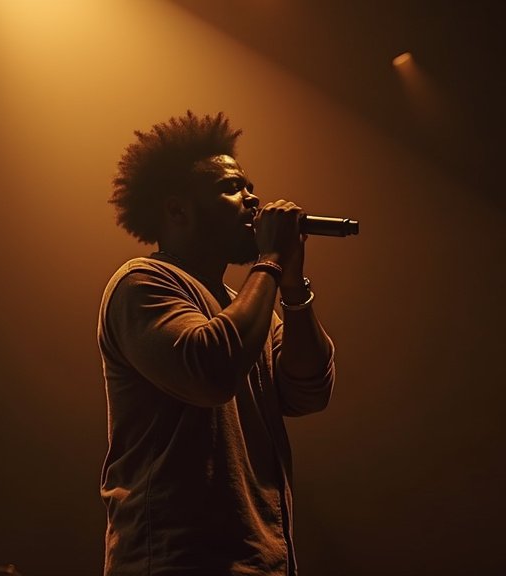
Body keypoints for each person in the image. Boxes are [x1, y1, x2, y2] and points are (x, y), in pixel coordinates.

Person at [97, 111, 336, 576]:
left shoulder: (246, 304)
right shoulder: (142, 283)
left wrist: (291, 285)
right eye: (232, 187)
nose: (254, 200)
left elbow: (309, 391)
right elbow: (210, 371)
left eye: (250, 187)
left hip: (262, 563)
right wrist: (270, 259)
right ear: (178, 210)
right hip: (177, 562)